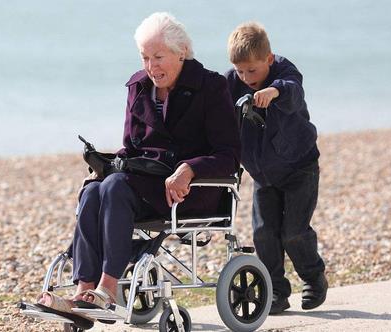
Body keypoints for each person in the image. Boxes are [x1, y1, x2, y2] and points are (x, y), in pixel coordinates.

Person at [36, 12, 240, 316]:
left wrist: (189, 169)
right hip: (144, 185)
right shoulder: (139, 87)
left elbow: (229, 155)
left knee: (115, 186)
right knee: (94, 190)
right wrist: (103, 167)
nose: (151, 66)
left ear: (181, 51)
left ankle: (107, 289)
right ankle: (83, 294)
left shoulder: (210, 86)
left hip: (191, 191)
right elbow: (131, 148)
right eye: (145, 57)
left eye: (158, 56)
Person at [224, 22, 327, 314]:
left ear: (268, 59)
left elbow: (293, 90)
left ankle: (313, 278)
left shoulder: (285, 73)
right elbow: (212, 98)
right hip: (263, 174)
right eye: (240, 71)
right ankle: (276, 292)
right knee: (263, 234)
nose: (246, 78)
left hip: (299, 168)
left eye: (252, 71)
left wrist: (274, 92)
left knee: (293, 232)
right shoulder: (232, 82)